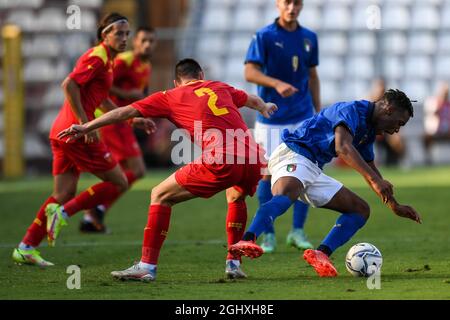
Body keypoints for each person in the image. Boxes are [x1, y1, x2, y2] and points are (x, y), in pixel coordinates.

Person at [57, 58, 278, 280]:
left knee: (160, 195)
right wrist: (265, 106)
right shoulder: (219, 86)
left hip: (222, 157)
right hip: (252, 156)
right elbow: (253, 100)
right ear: (201, 75)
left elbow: (124, 112)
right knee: (235, 196)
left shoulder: (170, 96)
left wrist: (87, 125)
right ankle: (233, 263)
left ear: (176, 82)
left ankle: (147, 266)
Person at [11, 13, 155, 267]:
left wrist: (132, 119)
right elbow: (69, 85)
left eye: (126, 34)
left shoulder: (108, 61)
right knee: (120, 180)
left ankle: (26, 247)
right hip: (76, 134)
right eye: (118, 33)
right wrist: (84, 123)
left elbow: (101, 99)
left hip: (63, 132)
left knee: (63, 192)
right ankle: (65, 214)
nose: (123, 38)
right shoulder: (97, 57)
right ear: (104, 34)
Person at [230, 89, 422, 277]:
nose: (396, 129)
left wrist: (394, 205)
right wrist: (375, 180)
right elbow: (342, 147)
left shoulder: (369, 129)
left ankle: (321, 254)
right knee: (285, 195)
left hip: (313, 167)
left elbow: (370, 167)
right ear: (388, 109)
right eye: (398, 123)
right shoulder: (351, 110)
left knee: (360, 209)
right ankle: (247, 240)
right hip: (295, 153)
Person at [244, 0, 320, 253]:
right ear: (278, 4)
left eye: (297, 3)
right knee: (266, 174)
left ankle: (297, 231)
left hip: (302, 116)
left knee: (305, 171)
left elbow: (312, 76)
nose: (292, 7)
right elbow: (250, 72)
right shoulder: (264, 36)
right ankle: (268, 235)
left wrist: (317, 112)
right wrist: (276, 84)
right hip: (271, 118)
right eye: (287, 2)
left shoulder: (309, 37)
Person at [80, 26, 157, 233]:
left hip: (124, 121)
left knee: (123, 175)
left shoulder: (146, 65)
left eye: (151, 41)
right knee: (137, 171)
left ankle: (93, 215)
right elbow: (102, 86)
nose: (148, 44)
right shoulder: (124, 61)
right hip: (113, 121)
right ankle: (90, 207)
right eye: (143, 40)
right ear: (135, 42)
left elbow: (139, 94)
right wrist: (127, 92)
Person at [369, 78, 406, 167]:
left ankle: (400, 163)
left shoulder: (389, 103)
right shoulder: (368, 103)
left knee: (397, 140)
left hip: (385, 133)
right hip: (371, 132)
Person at [423, 82, 450, 165]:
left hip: (447, 131)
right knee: (425, 137)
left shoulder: (448, 105)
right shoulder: (433, 103)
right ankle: (428, 159)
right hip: (435, 131)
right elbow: (430, 114)